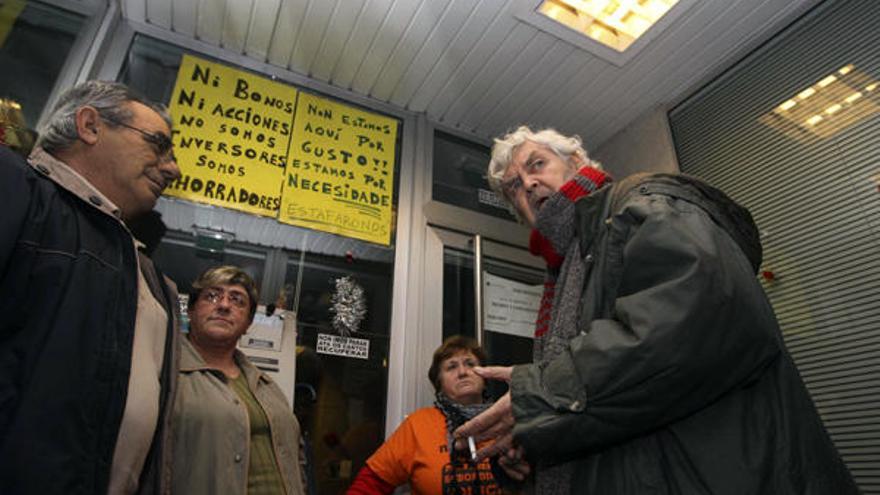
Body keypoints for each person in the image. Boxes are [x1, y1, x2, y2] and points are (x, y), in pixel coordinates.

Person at [454, 126, 858, 494]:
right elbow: (602, 410)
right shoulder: (562, 271)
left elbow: (695, 322)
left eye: (537, 164)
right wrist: (529, 452)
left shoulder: (645, 201)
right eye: (513, 188)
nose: (528, 184)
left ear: (577, 162)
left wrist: (541, 395)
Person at [0, 81, 182, 494]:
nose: (173, 169)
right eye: (158, 144)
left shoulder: (145, 272)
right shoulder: (17, 193)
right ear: (90, 126)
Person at [172, 265, 305, 495]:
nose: (224, 305)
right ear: (191, 310)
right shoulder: (168, 373)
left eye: (237, 301)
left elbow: (296, 455)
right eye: (212, 296)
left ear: (247, 324)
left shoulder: (265, 384)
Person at [347, 336, 505, 495]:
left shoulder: (507, 419)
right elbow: (369, 485)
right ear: (439, 384)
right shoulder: (419, 425)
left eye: (470, 364)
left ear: (485, 376)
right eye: (451, 367)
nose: (463, 372)